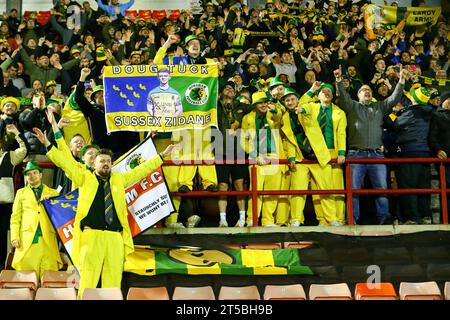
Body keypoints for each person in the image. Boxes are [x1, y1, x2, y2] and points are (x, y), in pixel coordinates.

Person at [35, 124, 177, 299]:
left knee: (113, 283)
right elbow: (65, 163)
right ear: (94, 163)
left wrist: (161, 156)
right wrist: (48, 144)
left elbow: (141, 170)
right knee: (88, 281)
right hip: (91, 236)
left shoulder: (119, 179)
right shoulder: (84, 177)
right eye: (101, 161)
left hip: (115, 238)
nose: (105, 164)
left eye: (108, 162)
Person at [334, 64, 408, 224]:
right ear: (358, 95)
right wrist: (339, 81)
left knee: (381, 189)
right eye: (363, 90)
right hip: (356, 154)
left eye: (369, 90)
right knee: (353, 190)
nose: (366, 92)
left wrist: (401, 81)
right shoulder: (352, 106)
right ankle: (352, 220)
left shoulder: (380, 107)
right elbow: (344, 97)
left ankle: (384, 220)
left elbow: (394, 98)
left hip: (376, 154)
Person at [280, 86, 340, 226]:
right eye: (287, 100)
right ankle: (295, 219)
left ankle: (332, 219)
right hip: (301, 159)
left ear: (297, 100)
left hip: (319, 157)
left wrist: (311, 90)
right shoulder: (285, 119)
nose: (290, 102)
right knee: (297, 190)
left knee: (326, 189)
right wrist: (292, 158)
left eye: (292, 99)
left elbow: (305, 105)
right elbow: (289, 141)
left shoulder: (308, 107)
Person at [240, 91, 285, 227]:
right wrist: (254, 154)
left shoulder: (272, 114)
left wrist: (275, 109)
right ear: (255, 105)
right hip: (256, 158)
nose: (264, 105)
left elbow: (280, 120)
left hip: (274, 156)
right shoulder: (247, 118)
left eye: (265, 102)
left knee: (272, 191)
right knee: (256, 190)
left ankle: (268, 220)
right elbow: (243, 140)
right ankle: (251, 219)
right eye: (261, 102)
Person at [10, 161, 62, 278]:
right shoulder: (21, 193)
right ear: (26, 177)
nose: (32, 176)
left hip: (47, 240)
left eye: (35, 173)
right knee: (27, 279)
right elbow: (15, 217)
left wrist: (53, 200)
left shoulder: (53, 193)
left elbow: (60, 215)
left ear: (41, 175)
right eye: (28, 174)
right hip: (27, 241)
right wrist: (14, 237)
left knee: (49, 278)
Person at [0, 124, 28, 269]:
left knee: (3, 237)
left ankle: (2, 268)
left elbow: (25, 149)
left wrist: (17, 133)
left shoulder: (9, 156)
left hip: (4, 203)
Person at [429, 91, 450, 220]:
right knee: (446, 188)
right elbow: (432, 136)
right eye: (448, 99)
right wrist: (437, 150)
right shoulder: (437, 115)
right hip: (445, 159)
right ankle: (446, 218)